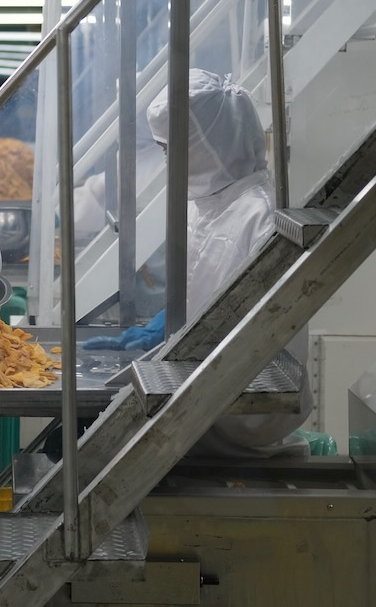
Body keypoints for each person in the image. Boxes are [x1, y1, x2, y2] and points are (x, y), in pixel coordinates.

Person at [88, 69, 308, 456]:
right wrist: (172, 326)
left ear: (205, 145)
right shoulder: (205, 206)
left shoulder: (260, 216)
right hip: (205, 381)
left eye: (171, 148)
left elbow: (261, 331)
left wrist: (182, 335)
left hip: (245, 406)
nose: (167, 160)